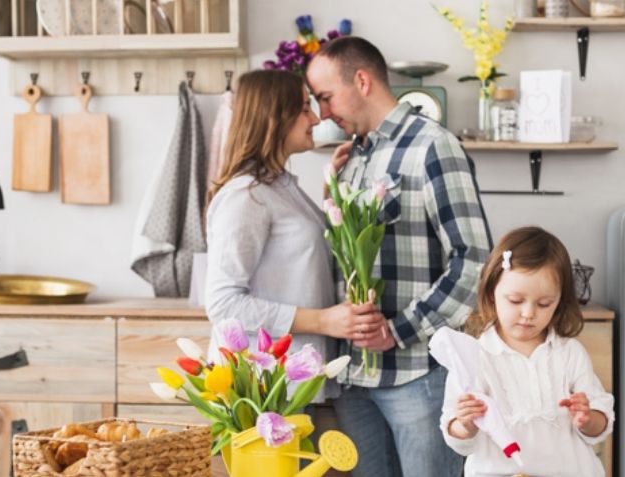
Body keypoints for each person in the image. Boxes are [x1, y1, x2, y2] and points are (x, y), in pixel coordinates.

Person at [306, 37, 492, 477]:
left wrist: (398, 330)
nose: (324, 113)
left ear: (362, 81)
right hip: (354, 381)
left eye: (327, 97)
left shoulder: (433, 146)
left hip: (417, 376)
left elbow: (474, 261)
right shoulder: (350, 159)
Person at [204, 69, 383, 403]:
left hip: (288, 386)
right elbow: (223, 304)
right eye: (304, 108)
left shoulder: (280, 187)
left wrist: (333, 199)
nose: (316, 118)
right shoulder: (247, 196)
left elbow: (295, 261)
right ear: (274, 118)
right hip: (261, 394)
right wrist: (324, 322)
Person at [441, 226, 614, 477]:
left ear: (559, 302)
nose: (528, 313)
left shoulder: (569, 353)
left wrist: (588, 419)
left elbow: (601, 422)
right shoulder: (472, 357)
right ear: (492, 294)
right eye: (515, 301)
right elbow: (457, 436)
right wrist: (465, 424)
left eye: (544, 304)